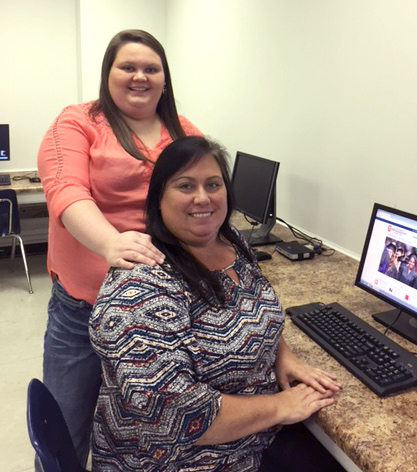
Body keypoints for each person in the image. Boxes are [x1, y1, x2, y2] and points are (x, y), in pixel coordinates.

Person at [89, 136, 341, 472]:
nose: (202, 198)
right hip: (175, 461)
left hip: (250, 439)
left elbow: (251, 309)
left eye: (213, 184)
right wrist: (282, 406)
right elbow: (179, 417)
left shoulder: (230, 241)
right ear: (158, 199)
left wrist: (283, 355)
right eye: (185, 186)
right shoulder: (138, 287)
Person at [37, 29, 201, 467]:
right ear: (108, 73)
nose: (139, 77)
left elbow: (203, 205)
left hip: (158, 312)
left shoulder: (184, 133)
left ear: (165, 78)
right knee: (66, 433)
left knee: (145, 432)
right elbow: (66, 193)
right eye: (127, 67)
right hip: (83, 306)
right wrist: (111, 243)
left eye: (151, 68)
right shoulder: (76, 122)